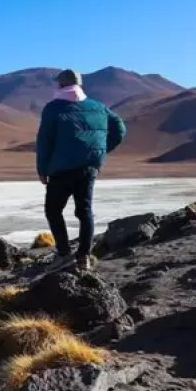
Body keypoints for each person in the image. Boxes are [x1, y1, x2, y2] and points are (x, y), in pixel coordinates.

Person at [36, 69, 127, 272]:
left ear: (60, 85)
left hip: (61, 169)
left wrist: (42, 169)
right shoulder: (98, 106)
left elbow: (44, 141)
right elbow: (120, 128)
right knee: (84, 211)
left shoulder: (53, 108)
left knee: (53, 210)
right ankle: (83, 257)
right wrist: (101, 150)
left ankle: (64, 254)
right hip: (89, 167)